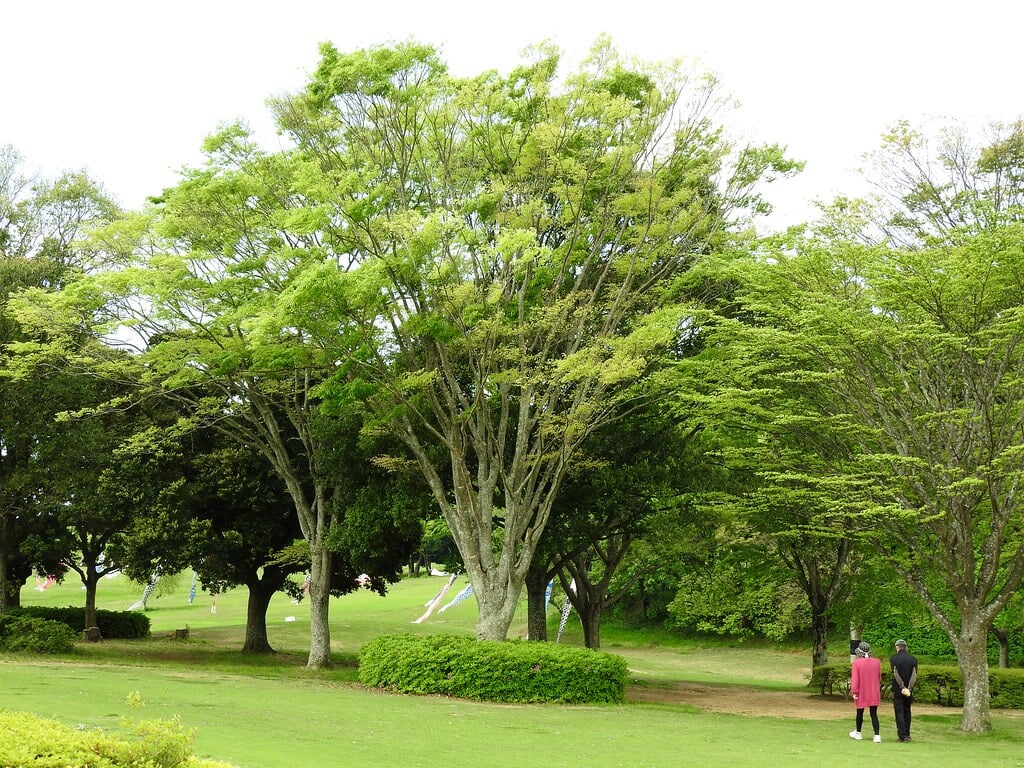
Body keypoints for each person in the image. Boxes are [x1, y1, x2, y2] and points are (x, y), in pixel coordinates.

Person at [849, 641, 882, 742]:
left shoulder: (857, 663)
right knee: (874, 713)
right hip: (873, 691)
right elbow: (879, 678)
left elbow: (855, 679)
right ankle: (877, 735)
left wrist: (854, 691)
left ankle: (858, 732)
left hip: (861, 691)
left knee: (860, 712)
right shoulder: (877, 662)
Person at [890, 639, 918, 742]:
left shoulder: (894, 659)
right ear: (906, 647)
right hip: (909, 690)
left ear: (897, 647)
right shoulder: (913, 659)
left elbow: (895, 673)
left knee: (899, 711)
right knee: (907, 711)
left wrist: (902, 687)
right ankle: (907, 734)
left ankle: (902, 735)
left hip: (898, 689)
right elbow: (914, 675)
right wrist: (909, 688)